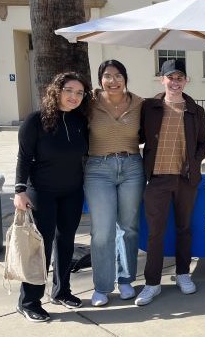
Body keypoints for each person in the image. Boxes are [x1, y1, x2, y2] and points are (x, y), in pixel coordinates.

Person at [13, 72, 91, 322]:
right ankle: (29, 301)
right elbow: (23, 158)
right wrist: (19, 190)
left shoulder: (80, 121)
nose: (74, 97)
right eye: (69, 90)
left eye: (79, 93)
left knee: (66, 241)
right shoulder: (35, 121)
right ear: (56, 90)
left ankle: (61, 291)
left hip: (72, 191)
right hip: (42, 192)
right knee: (41, 247)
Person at [134, 59, 205, 306]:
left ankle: (183, 274)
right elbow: (136, 136)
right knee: (155, 233)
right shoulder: (150, 107)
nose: (175, 82)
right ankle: (152, 283)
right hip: (156, 179)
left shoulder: (195, 110)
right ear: (162, 79)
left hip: (185, 180)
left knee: (184, 228)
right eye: (171, 77)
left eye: (180, 78)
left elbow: (203, 143)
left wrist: (194, 163)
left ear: (186, 80)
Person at [84, 60, 145, 307]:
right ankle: (101, 286)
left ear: (125, 78)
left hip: (131, 166)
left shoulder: (139, 103)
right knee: (102, 231)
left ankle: (126, 279)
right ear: (100, 79)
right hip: (98, 169)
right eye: (107, 76)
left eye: (118, 75)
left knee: (128, 227)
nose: (113, 81)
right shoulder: (88, 103)